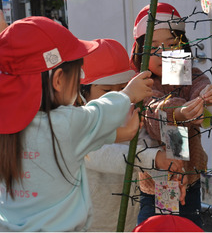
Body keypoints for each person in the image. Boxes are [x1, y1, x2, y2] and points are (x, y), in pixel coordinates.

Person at [0, 16, 154, 231]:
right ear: (59, 80)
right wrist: (128, 94)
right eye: (77, 75)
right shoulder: (66, 122)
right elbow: (100, 113)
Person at [79, 38, 186, 231]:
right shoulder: (78, 122)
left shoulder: (130, 114)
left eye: (123, 89)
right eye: (107, 91)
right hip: (86, 224)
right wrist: (156, 159)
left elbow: (148, 144)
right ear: (82, 92)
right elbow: (103, 154)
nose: (117, 96)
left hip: (126, 219)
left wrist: (169, 182)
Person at [130, 3, 212, 228]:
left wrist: (207, 94)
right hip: (157, 180)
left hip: (190, 177)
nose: (163, 52)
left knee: (190, 224)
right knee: (155, 226)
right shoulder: (141, 83)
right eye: (153, 47)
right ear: (140, 50)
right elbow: (153, 110)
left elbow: (200, 85)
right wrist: (178, 113)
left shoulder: (189, 75)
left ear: (183, 46)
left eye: (171, 45)